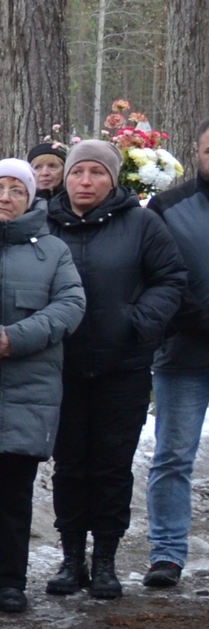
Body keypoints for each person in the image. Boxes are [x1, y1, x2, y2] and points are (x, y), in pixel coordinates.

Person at [45, 136, 189, 599]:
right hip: (61, 365)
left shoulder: (143, 224)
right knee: (69, 466)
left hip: (122, 366)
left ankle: (105, 558)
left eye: (97, 173)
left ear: (112, 178)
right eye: (77, 173)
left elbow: (171, 279)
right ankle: (71, 559)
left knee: (111, 467)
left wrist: (138, 322)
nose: (86, 181)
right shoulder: (45, 223)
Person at [0, 160, 86, 613]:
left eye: (16, 190)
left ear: (31, 198)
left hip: (29, 390)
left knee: (14, 493)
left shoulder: (52, 250)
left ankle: (10, 580)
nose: (5, 197)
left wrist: (11, 340)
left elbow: (70, 304)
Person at [141, 121, 209, 587]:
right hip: (184, 352)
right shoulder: (168, 208)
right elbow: (157, 276)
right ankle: (166, 553)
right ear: (198, 151)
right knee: (172, 456)